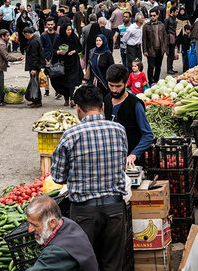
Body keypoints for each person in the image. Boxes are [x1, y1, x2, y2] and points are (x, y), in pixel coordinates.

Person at [51, 85, 127, 271]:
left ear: (77, 108)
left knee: (85, 264)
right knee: (113, 265)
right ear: (102, 105)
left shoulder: (70, 135)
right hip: (115, 209)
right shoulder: (119, 130)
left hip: (84, 212)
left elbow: (58, 176)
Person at [26, 195, 98, 271]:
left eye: (34, 225)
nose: (30, 230)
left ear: (52, 223)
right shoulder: (67, 223)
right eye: (29, 223)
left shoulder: (55, 251)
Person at [104, 64, 154, 168]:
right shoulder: (107, 99)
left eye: (118, 86)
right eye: (111, 85)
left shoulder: (135, 104)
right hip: (111, 161)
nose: (114, 90)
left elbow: (148, 135)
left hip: (131, 164)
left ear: (126, 83)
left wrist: (134, 154)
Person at [0, 29, 24, 106]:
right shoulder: (1, 44)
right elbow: (7, 57)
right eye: (7, 36)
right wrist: (17, 59)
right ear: (2, 36)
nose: (9, 37)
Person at [51, 25, 83, 107]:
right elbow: (53, 50)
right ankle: (66, 99)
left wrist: (74, 51)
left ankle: (72, 99)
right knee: (63, 82)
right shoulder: (59, 39)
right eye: (67, 30)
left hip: (73, 63)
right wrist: (59, 52)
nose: (69, 32)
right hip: (62, 64)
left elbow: (79, 47)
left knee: (71, 81)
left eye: (70, 30)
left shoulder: (74, 37)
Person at [142, 9, 167, 84]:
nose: (152, 17)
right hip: (150, 50)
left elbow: (164, 37)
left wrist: (164, 48)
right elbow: (144, 39)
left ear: (157, 15)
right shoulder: (146, 26)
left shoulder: (161, 25)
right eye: (151, 15)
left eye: (154, 15)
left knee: (158, 67)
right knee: (151, 67)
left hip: (160, 49)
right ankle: (150, 81)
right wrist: (145, 50)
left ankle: (156, 81)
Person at [23, 27, 44, 108]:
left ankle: (37, 101)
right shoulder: (34, 39)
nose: (25, 37)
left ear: (27, 34)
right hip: (34, 66)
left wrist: (34, 68)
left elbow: (35, 56)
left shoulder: (34, 41)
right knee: (34, 83)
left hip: (34, 66)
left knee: (35, 84)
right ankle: (35, 100)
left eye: (25, 35)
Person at [40, 18, 60, 98]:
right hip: (46, 57)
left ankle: (57, 91)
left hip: (55, 57)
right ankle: (47, 90)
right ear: (46, 25)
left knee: (56, 75)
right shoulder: (43, 35)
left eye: (51, 24)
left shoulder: (57, 35)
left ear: (54, 25)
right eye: (48, 25)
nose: (50, 26)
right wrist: (44, 58)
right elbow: (41, 47)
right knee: (46, 75)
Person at [165, 6, 178, 75]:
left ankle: (171, 68)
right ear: (172, 12)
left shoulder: (174, 18)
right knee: (170, 54)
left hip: (173, 38)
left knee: (172, 54)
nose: (177, 13)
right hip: (169, 39)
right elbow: (165, 29)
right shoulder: (167, 19)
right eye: (176, 12)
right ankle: (169, 69)